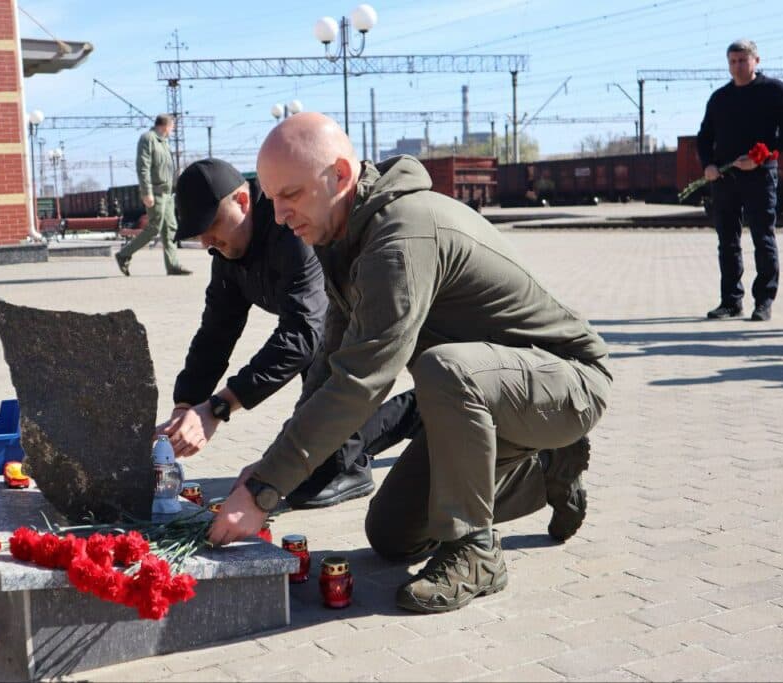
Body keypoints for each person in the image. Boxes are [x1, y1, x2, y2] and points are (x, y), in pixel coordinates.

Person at [207, 113, 612, 615]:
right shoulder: (342, 240)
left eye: (291, 194)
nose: (282, 214)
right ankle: (546, 467)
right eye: (271, 199)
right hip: (489, 398)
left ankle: (475, 553)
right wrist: (271, 470)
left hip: (565, 382)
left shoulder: (400, 237)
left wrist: (266, 489)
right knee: (391, 533)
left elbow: (362, 381)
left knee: (444, 369)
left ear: (339, 175)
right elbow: (332, 368)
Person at [158, 158, 421, 508]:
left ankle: (405, 422)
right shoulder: (228, 250)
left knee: (312, 463)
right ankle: (377, 433)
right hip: (322, 333)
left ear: (242, 200)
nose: (207, 240)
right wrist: (187, 405)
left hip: (361, 322)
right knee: (305, 457)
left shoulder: (290, 230)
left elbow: (301, 335)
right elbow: (215, 332)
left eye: (212, 225)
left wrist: (219, 407)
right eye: (198, 232)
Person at [698, 39, 783, 322]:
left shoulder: (775, 91)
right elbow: (704, 136)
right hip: (725, 178)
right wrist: (709, 165)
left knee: (763, 238)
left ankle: (763, 301)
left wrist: (760, 158)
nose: (737, 66)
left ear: (756, 61)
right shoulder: (720, 98)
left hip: (760, 176)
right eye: (732, 61)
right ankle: (730, 301)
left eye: (742, 60)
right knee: (727, 241)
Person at [115, 114, 191, 277]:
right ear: (165, 126)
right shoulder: (148, 139)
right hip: (155, 192)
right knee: (153, 228)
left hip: (167, 193)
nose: (173, 130)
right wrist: (146, 192)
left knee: (170, 229)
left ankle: (172, 265)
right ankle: (123, 254)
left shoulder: (164, 143)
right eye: (172, 127)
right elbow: (143, 167)